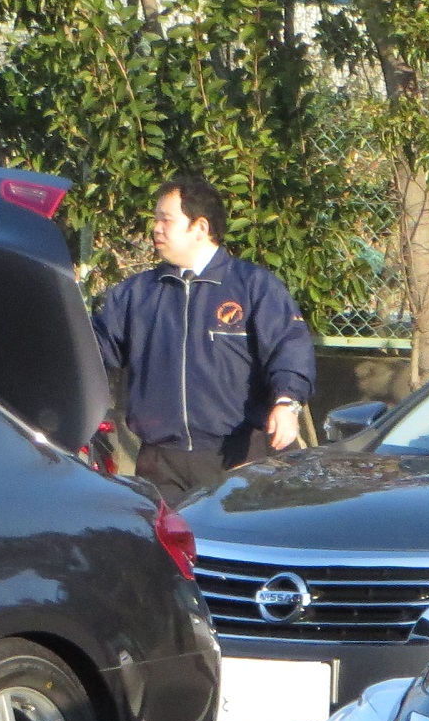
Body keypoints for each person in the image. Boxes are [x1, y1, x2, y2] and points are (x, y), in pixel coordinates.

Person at [92, 176, 315, 506]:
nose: (156, 228)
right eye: (155, 220)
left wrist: (287, 401)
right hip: (160, 462)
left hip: (235, 456)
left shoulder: (253, 286)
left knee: (230, 552)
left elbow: (289, 347)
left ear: (200, 226)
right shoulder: (137, 293)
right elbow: (93, 351)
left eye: (166, 220)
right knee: (167, 551)